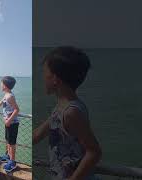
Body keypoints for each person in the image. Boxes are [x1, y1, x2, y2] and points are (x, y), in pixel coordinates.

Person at [33, 46, 102, 180]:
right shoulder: (60, 108)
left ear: (55, 79)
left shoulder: (71, 112)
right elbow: (37, 134)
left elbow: (94, 152)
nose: (43, 78)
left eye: (45, 73)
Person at [0, 76, 20, 172]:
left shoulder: (10, 96)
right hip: (8, 123)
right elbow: (0, 103)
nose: (0, 85)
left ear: (5, 86)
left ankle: (12, 162)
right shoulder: (6, 95)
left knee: (12, 143)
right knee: (8, 140)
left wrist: (9, 121)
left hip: (12, 124)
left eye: (1, 83)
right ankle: (8, 156)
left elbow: (17, 110)